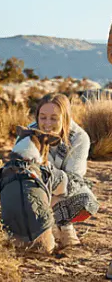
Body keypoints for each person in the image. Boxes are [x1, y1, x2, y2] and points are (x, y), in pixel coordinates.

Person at [20, 93, 99, 247]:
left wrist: (50, 199)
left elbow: (73, 178)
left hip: (62, 189)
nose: (47, 123)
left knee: (86, 200)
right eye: (42, 117)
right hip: (34, 188)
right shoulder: (28, 133)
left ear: (65, 118)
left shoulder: (79, 138)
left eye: (54, 118)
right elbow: (20, 166)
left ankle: (63, 225)